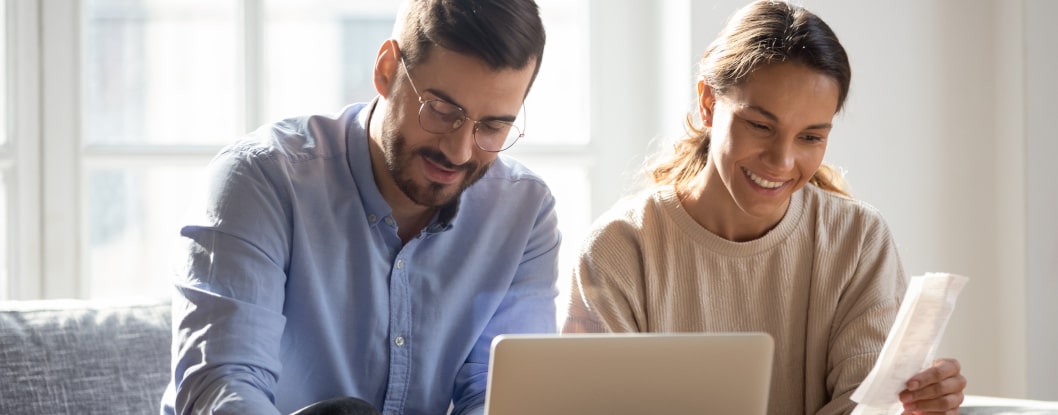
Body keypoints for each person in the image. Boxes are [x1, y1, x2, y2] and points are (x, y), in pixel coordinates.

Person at [562, 1, 966, 415]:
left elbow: (863, 407)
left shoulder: (857, 239)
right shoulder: (618, 250)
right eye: (760, 126)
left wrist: (915, 406)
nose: (781, 162)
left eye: (810, 137)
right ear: (707, 103)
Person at [160, 1, 559, 414]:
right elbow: (223, 387)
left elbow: (502, 399)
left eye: (492, 126)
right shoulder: (259, 181)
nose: (459, 151)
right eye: (442, 111)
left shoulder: (524, 213)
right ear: (386, 70)